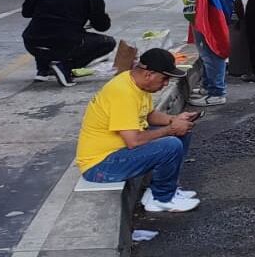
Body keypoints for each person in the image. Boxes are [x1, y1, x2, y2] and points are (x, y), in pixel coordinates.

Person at [74, 48, 200, 213]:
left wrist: (174, 120)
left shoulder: (137, 84)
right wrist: (170, 129)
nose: (165, 84)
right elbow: (133, 141)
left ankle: (161, 190)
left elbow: (148, 115)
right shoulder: (123, 93)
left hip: (117, 153)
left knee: (182, 131)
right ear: (149, 74)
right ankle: (162, 199)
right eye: (164, 79)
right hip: (100, 166)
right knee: (171, 144)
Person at [23, 0, 113, 86]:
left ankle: (43, 69)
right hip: (65, 43)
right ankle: (65, 67)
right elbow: (102, 25)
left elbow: (26, 12)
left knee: (44, 28)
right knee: (108, 42)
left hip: (32, 42)